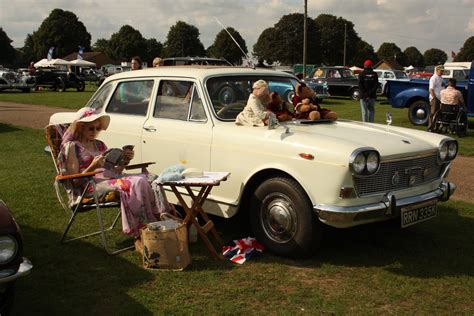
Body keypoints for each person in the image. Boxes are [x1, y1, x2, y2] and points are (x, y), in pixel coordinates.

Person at [58, 107, 163, 237]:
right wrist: (93, 165)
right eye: (91, 128)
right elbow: (74, 180)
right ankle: (144, 226)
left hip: (108, 179)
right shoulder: (73, 147)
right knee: (137, 182)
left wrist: (125, 160)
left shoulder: (100, 145)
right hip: (88, 186)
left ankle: (162, 217)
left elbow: (113, 171)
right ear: (81, 127)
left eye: (98, 128)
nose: (95, 131)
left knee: (152, 178)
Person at [428, 65, 445, 130]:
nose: (442, 72)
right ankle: (430, 127)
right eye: (441, 70)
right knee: (433, 113)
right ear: (437, 70)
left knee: (438, 114)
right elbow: (431, 89)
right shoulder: (433, 78)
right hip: (435, 98)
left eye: (443, 71)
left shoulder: (441, 78)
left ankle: (436, 127)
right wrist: (434, 98)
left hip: (440, 99)